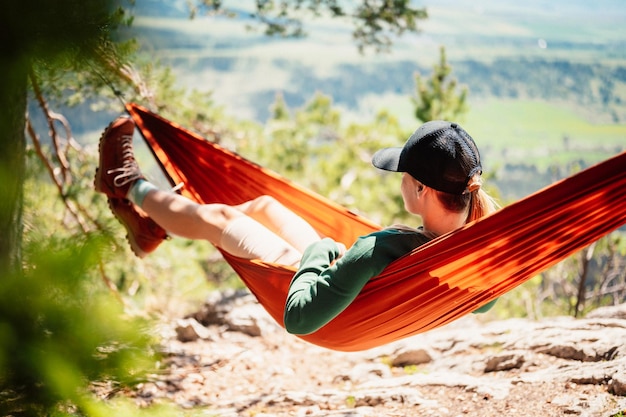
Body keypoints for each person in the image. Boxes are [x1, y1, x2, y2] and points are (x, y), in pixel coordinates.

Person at [95, 116, 499, 335]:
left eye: (402, 175)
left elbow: (299, 318)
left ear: (421, 188)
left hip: (325, 311)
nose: (398, 181)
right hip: (349, 289)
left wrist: (320, 252)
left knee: (222, 219)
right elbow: (486, 300)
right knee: (266, 207)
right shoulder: (474, 255)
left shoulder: (379, 249)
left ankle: (125, 183)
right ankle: (150, 227)